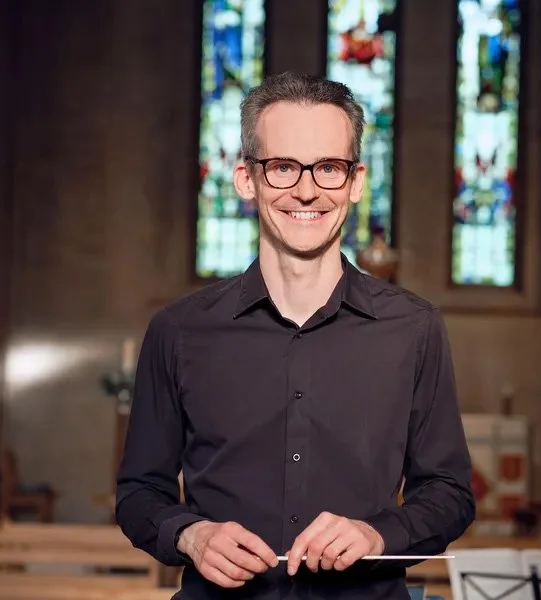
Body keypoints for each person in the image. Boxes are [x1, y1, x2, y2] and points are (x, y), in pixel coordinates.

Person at [115, 71, 475, 600]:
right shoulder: (178, 331)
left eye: (328, 168)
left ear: (355, 182)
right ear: (246, 179)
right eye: (283, 167)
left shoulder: (414, 328)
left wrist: (377, 533)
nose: (306, 190)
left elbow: (448, 493)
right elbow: (139, 492)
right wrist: (191, 535)